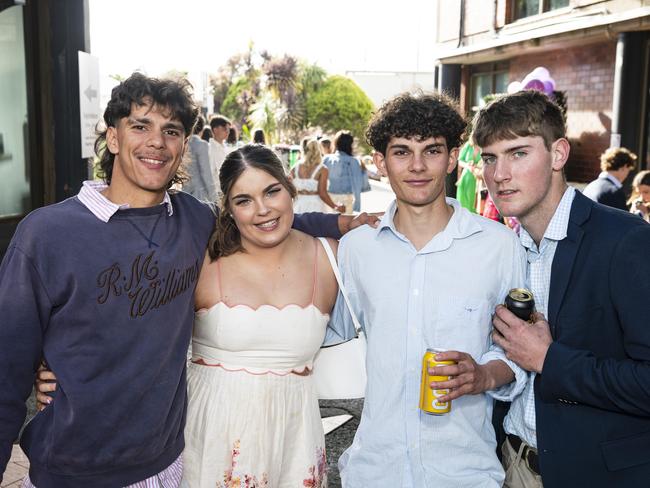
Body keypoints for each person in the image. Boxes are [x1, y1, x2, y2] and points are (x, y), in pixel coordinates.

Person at [0, 72, 367, 487]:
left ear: (183, 147)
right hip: (72, 472)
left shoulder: (194, 222)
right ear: (114, 138)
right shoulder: (47, 233)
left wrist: (341, 221)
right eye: (140, 126)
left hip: (170, 466)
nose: (157, 141)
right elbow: (5, 370)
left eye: (170, 130)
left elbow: (263, 220)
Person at [331, 91, 527, 487]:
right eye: (401, 152)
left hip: (464, 472)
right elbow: (326, 340)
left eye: (432, 150)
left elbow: (520, 353)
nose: (417, 166)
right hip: (376, 470)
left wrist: (484, 376)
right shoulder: (357, 250)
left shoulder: (499, 246)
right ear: (379, 162)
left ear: (452, 158)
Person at [473, 89, 650, 488]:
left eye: (518, 153)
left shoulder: (625, 241)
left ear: (558, 154)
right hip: (511, 464)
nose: (499, 174)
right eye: (489, 157)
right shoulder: (503, 248)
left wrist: (550, 359)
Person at [181, 144, 353, 487]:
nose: (262, 210)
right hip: (211, 439)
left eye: (271, 191)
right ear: (228, 210)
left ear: (289, 187)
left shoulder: (331, 258)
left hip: (295, 438)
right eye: (243, 200)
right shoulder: (202, 258)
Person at [292, 138, 345, 213]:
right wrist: (335, 206)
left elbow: (288, 187)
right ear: (319, 151)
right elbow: (322, 193)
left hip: (298, 205)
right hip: (316, 206)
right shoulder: (322, 169)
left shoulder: (295, 168)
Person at [582, 146, 637, 210]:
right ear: (624, 167)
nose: (627, 175)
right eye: (628, 169)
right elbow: (624, 219)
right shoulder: (614, 192)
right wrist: (640, 213)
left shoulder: (590, 186)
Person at [323, 130, 363, 213]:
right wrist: (357, 205)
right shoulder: (353, 161)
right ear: (350, 144)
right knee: (345, 225)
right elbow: (357, 185)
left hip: (328, 200)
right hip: (346, 200)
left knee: (327, 225)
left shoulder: (326, 159)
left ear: (336, 143)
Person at [183, 115, 217, 202]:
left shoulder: (183, 143)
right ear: (202, 128)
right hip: (199, 193)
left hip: (184, 191)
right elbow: (206, 172)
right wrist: (214, 198)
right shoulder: (202, 144)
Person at [208, 114, 232, 190]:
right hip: (216, 190)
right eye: (225, 129)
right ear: (215, 130)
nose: (228, 132)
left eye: (229, 129)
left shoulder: (226, 147)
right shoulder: (209, 149)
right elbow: (210, 173)